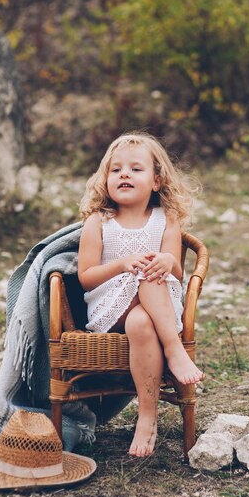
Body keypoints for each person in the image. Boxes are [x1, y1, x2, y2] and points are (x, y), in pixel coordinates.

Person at [78, 131, 204, 458]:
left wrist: (166, 260)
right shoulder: (99, 222)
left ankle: (147, 416)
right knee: (144, 274)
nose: (124, 174)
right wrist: (122, 264)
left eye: (136, 169)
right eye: (116, 169)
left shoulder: (166, 219)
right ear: (105, 180)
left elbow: (174, 269)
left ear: (157, 180)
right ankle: (174, 350)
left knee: (141, 322)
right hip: (110, 305)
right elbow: (86, 278)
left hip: (154, 307)